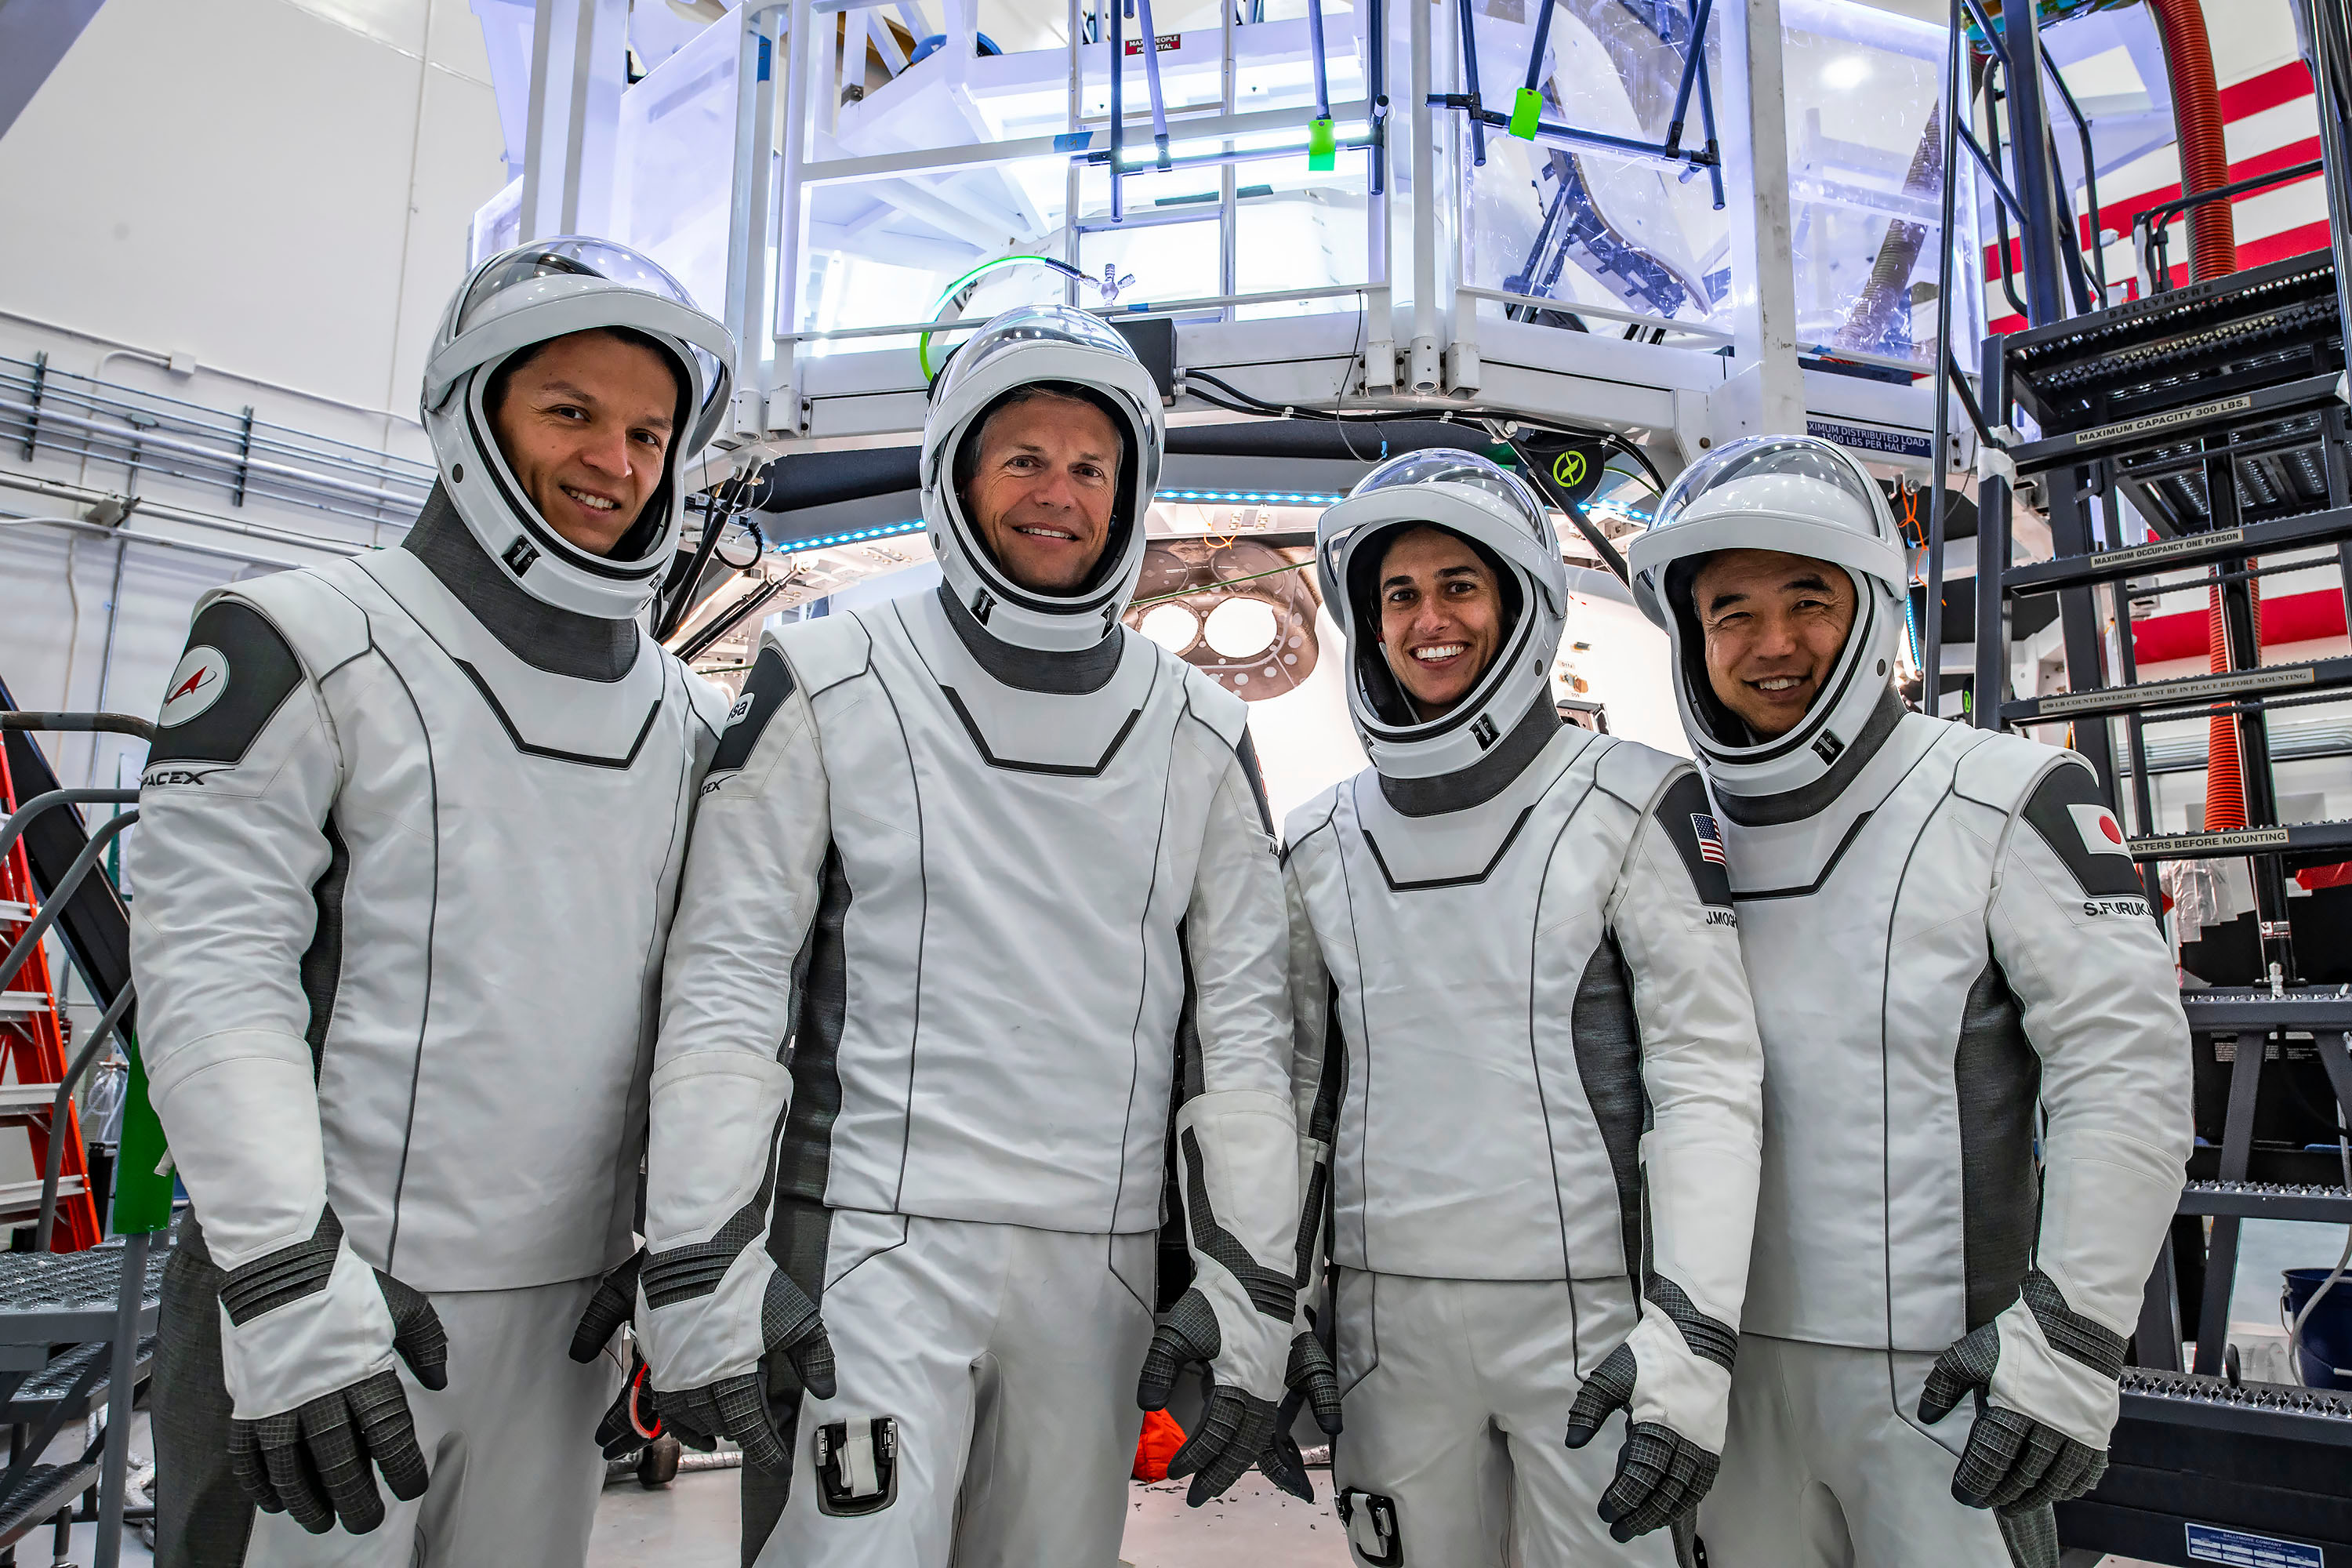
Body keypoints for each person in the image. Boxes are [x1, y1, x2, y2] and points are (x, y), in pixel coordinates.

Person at [633, 303, 1301, 1567]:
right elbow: (726, 985)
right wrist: (700, 1260)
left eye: (1091, 467)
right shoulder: (830, 672)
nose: (1059, 494)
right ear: (955, 475)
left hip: (1094, 1280)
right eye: (1024, 460)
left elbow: (1247, 1041)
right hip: (872, 1251)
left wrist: (1252, 1289)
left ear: (1131, 490)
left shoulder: (1201, 730)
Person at [130, 238, 738, 1566]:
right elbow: (211, 977)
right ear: (474, 414)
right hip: (325, 1309)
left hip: (569, 1322)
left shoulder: (693, 720)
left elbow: (719, 1018)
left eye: (647, 431)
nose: (615, 464)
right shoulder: (299, 638)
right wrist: (286, 1286)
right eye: (570, 412)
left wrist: (688, 1248)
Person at [1624, 434, 2192, 1568]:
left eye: (1807, 600)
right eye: (1731, 612)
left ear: (1876, 607)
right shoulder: (1658, 829)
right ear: (1694, 637)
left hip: (1945, 1392)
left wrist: (2071, 1334)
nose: (1772, 643)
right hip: (1720, 1381)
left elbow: (2123, 1067)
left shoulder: (2005, 793)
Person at [1279, 449, 1766, 1567]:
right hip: (1383, 1329)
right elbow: (1289, 1094)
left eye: (1460, 585)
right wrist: (1284, 1299)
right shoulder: (1318, 840)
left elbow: (1707, 1086)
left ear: (1523, 604)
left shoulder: (1635, 800)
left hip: (1592, 1326)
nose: (1428, 619)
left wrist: (1691, 1341)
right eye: (1399, 594)